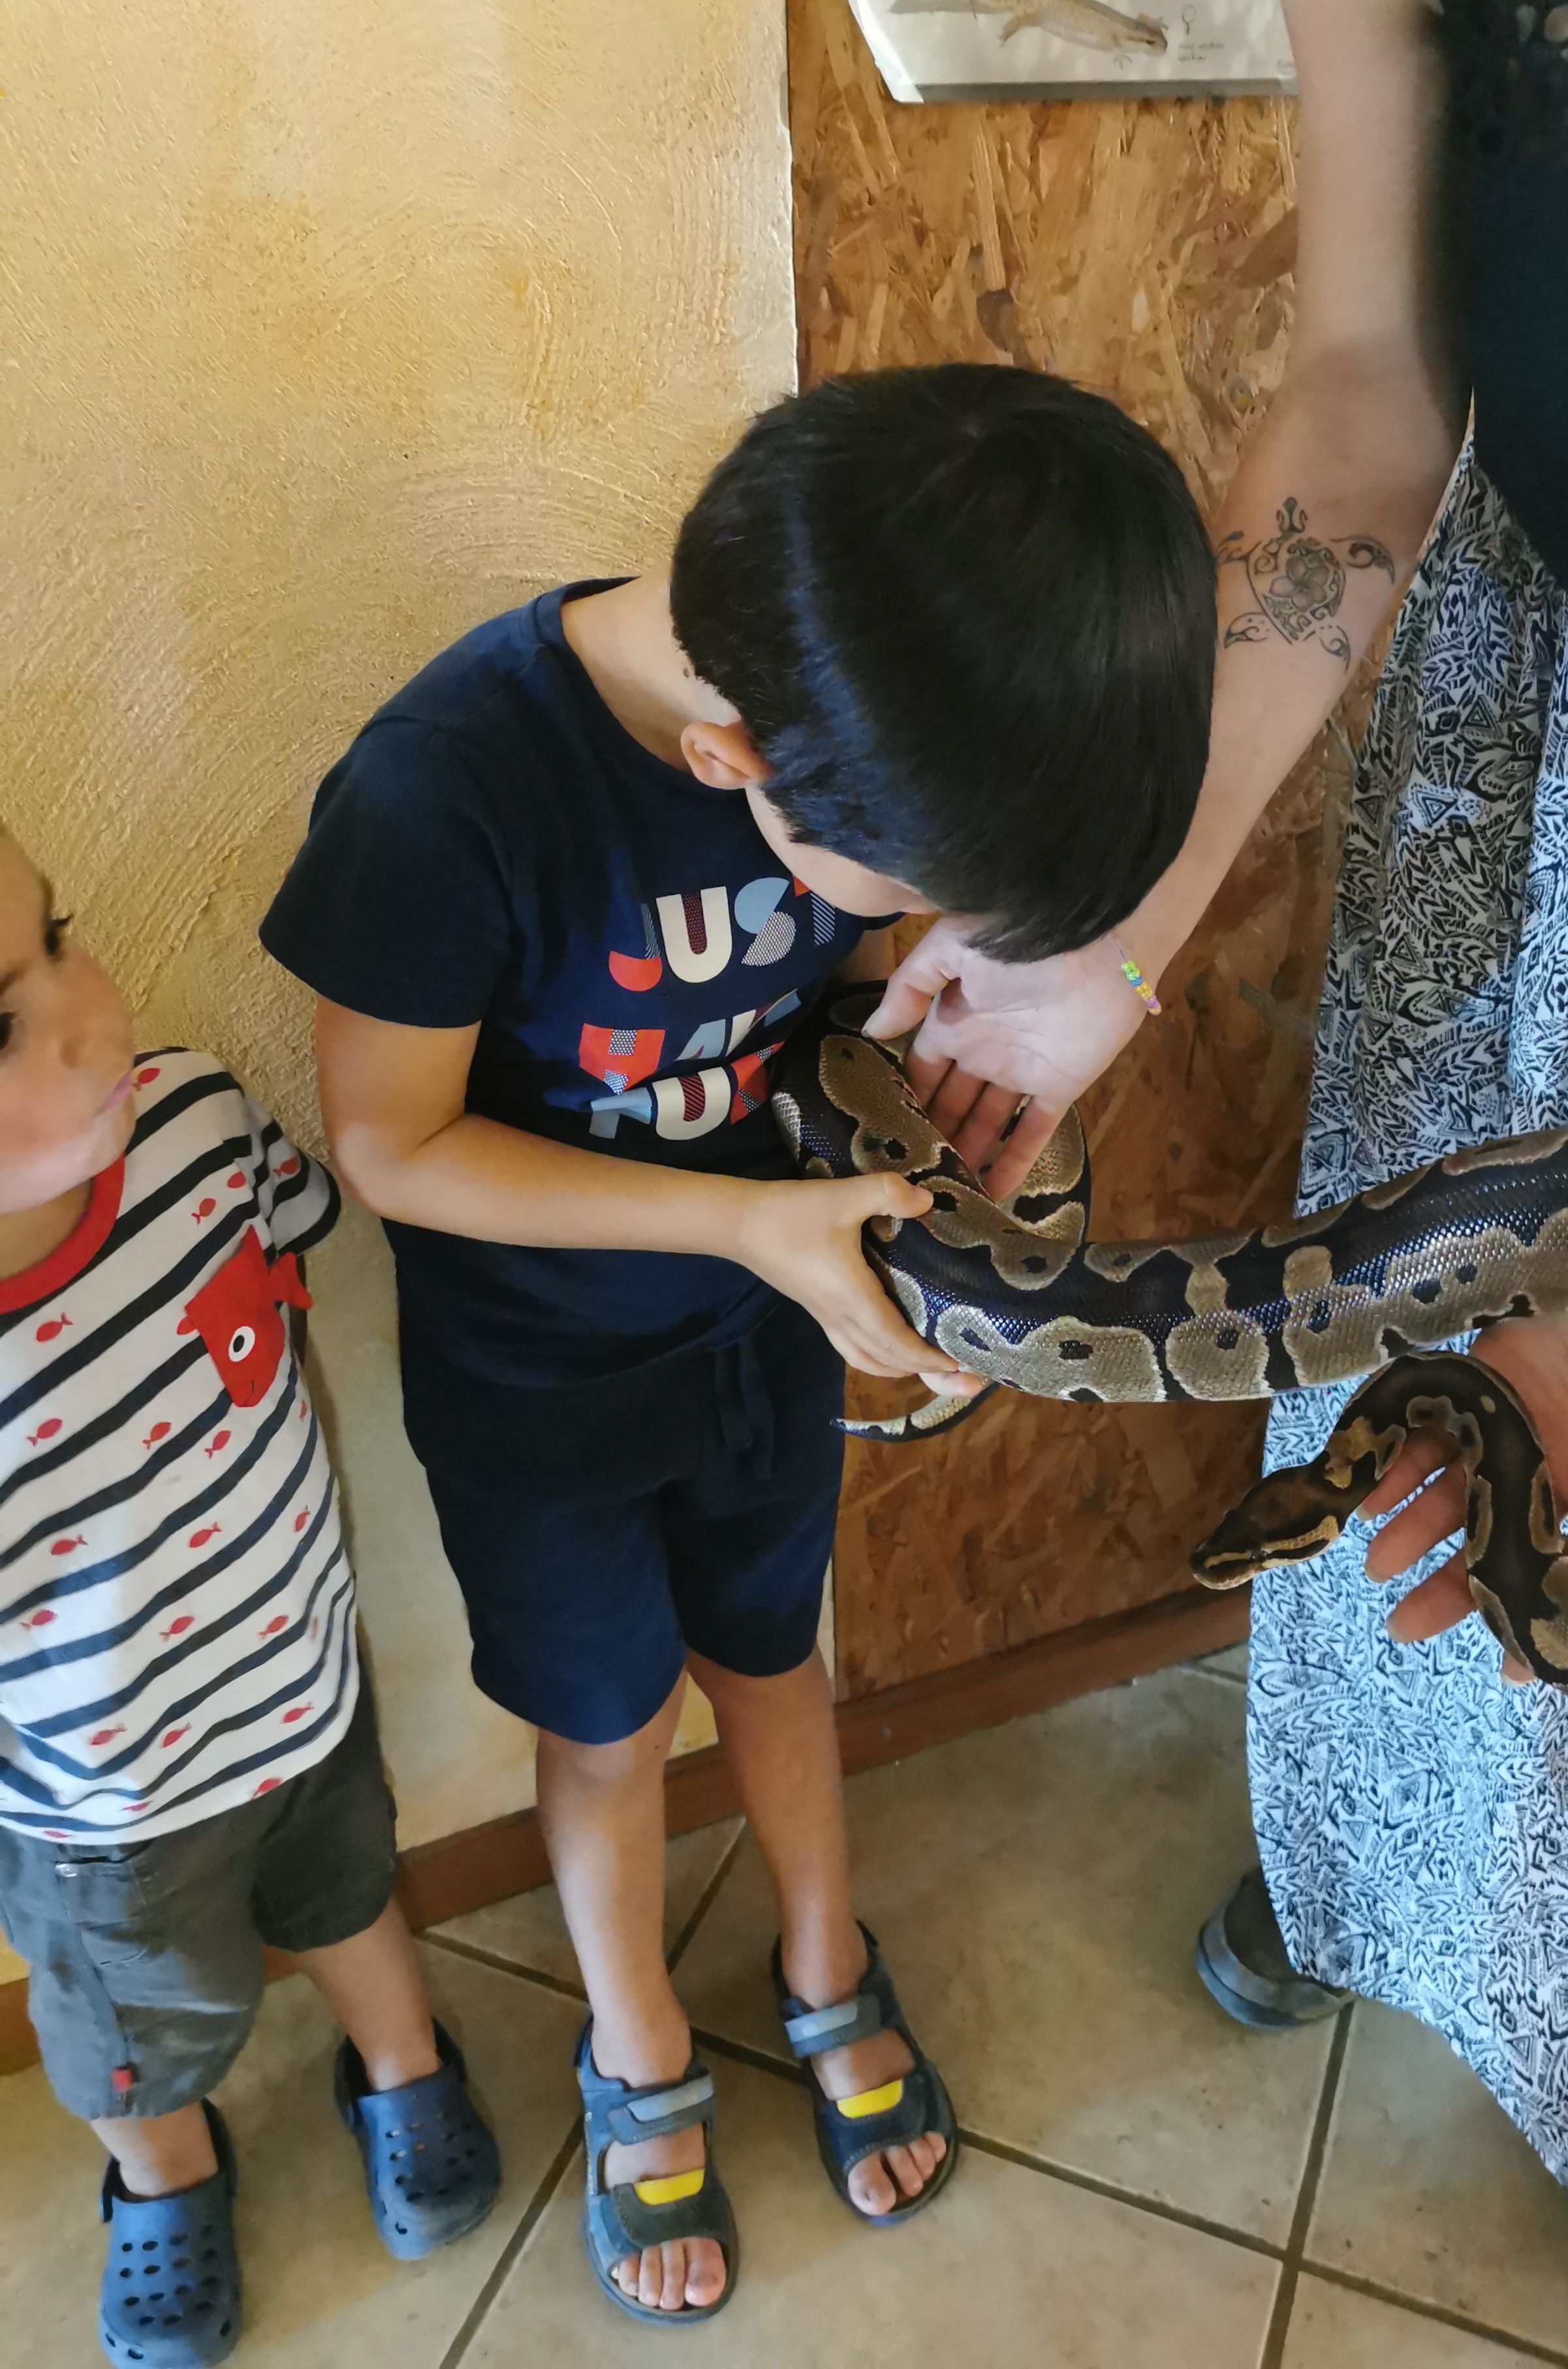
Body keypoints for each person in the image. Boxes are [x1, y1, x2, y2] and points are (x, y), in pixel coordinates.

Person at [872, 0, 1568, 2364]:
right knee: (1398, 1397)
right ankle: (1372, 1878)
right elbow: (1373, 381)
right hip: (1510, 694)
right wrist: (1116, 917)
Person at [259, 363, 1217, 2324]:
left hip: (760, 1333)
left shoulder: (855, 719)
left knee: (778, 1663)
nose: (921, 930)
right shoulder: (445, 794)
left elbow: (834, 1002)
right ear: (734, 764)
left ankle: (821, 1958)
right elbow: (389, 1148)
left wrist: (924, 1170)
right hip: (540, 1389)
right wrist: (745, 1226)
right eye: (916, 899)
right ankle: (636, 2051)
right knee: (607, 1728)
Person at [0, 829, 500, 2369]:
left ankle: (401, 2062)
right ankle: (163, 2175)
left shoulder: (197, 1125)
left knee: (351, 1893)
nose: (89, 1017)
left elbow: (291, 1287)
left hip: (302, 1685)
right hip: (103, 1816)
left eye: (58, 936)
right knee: (134, 2036)